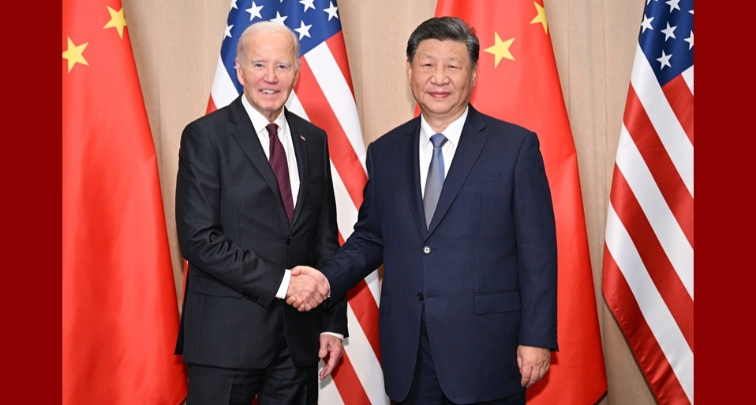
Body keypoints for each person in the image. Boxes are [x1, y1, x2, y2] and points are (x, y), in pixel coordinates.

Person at [288, 16, 558, 405]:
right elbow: (371, 236)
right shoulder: (385, 152)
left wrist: (536, 336)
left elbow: (538, 251)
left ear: (475, 74)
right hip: (410, 353)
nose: (439, 77)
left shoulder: (514, 148)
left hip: (487, 352)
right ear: (410, 71)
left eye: (453, 65)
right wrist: (323, 280)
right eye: (428, 64)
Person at [174, 21, 347, 405]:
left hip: (298, 341)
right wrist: (286, 284)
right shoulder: (205, 137)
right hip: (224, 341)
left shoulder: (313, 139)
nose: (271, 77)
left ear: (297, 72)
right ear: (238, 70)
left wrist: (332, 323)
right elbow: (198, 239)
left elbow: (324, 239)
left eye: (282, 66)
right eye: (259, 65)